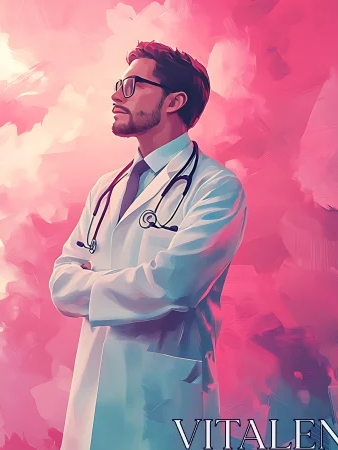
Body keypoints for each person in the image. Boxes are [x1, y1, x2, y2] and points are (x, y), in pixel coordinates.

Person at [48, 41, 248, 450]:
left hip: (162, 405)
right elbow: (60, 285)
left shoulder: (217, 189)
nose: (115, 95)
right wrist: (133, 285)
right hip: (94, 393)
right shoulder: (106, 188)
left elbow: (174, 287)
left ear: (175, 101)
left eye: (131, 85)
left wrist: (94, 282)